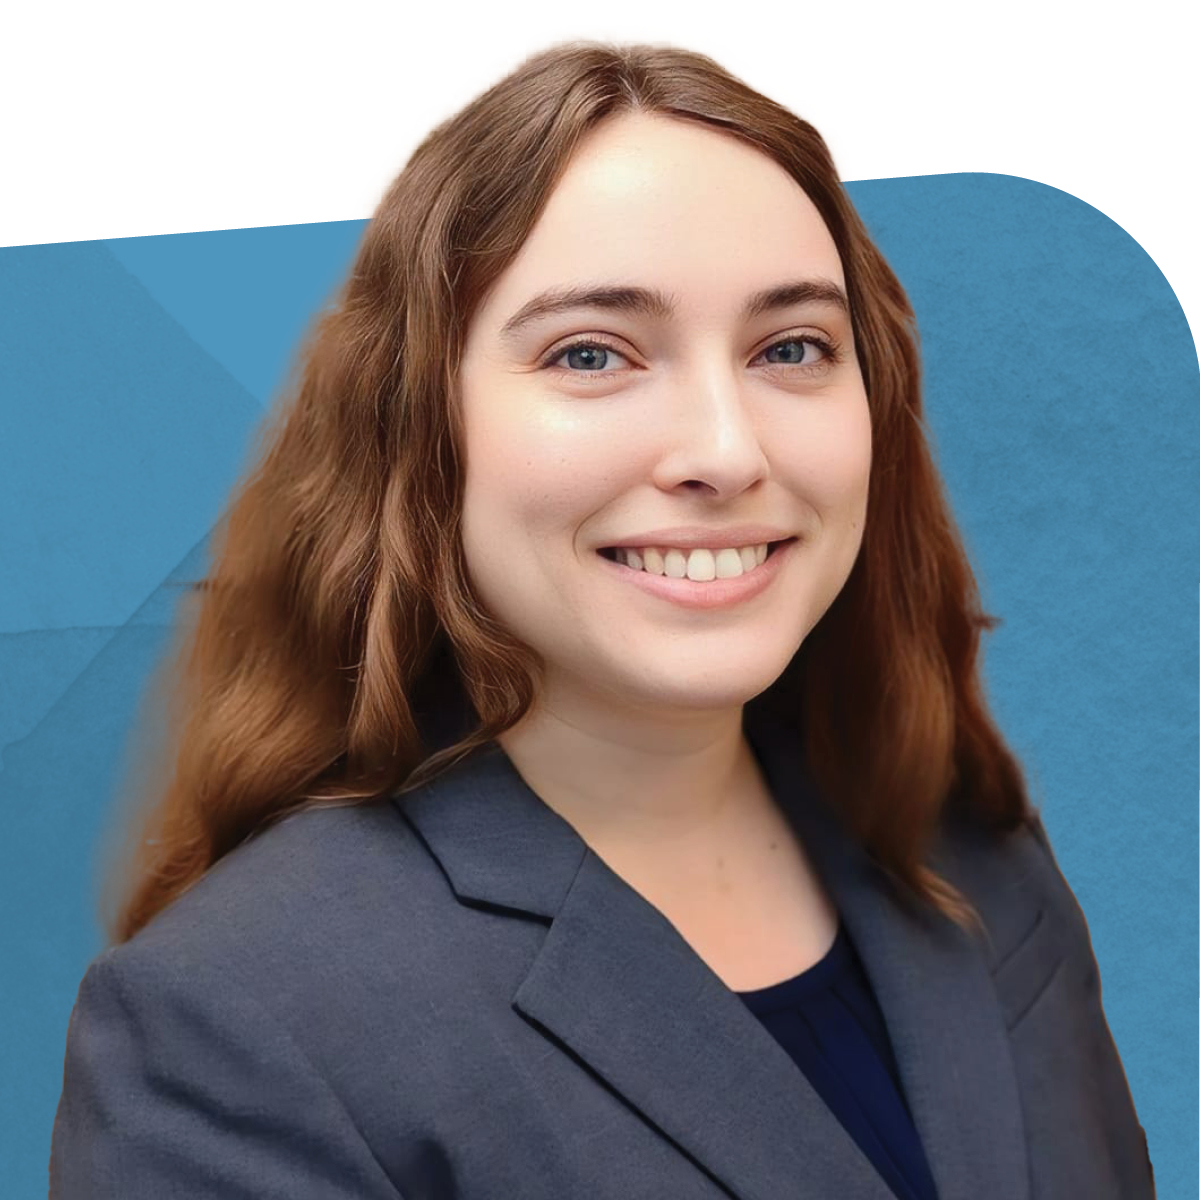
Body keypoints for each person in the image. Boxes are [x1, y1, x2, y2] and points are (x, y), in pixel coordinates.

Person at [49, 40, 1154, 1199]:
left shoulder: (975, 856)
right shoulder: (235, 1024)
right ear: (420, 431)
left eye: (793, 348)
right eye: (593, 353)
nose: (728, 452)